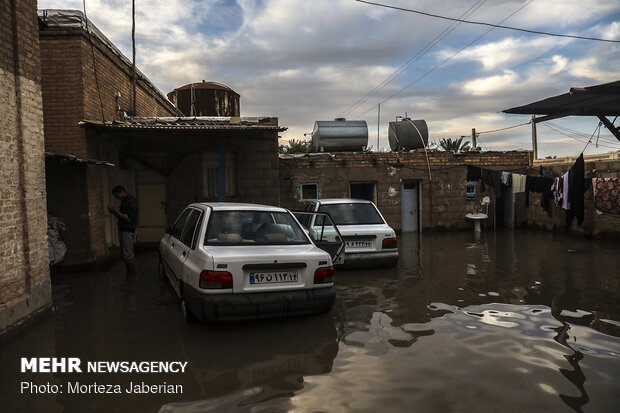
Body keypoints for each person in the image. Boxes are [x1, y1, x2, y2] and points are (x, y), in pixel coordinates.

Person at [108, 185, 138, 275]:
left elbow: (127, 218)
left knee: (128, 254)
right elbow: (121, 217)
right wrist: (113, 212)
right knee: (125, 254)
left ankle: (132, 275)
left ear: (122, 192)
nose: (117, 198)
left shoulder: (131, 201)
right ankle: (129, 274)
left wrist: (114, 210)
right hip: (123, 229)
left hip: (127, 230)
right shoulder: (124, 201)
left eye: (117, 196)